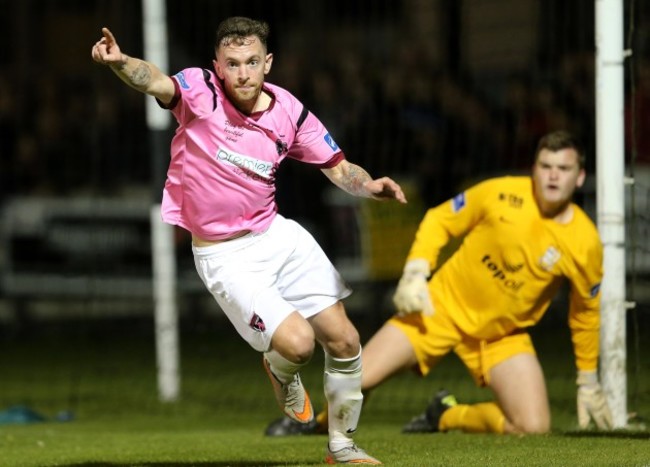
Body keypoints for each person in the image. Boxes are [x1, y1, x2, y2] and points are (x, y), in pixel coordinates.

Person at [91, 17, 407, 465]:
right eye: (233, 63)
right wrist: (121, 62)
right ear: (217, 67)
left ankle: (342, 447)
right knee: (297, 345)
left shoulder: (289, 111)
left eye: (252, 62)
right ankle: (280, 370)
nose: (243, 73)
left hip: (276, 234)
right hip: (224, 254)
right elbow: (156, 81)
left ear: (267, 63)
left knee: (345, 340)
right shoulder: (200, 91)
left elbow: (337, 167)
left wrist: (369, 185)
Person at [265, 130, 613, 437]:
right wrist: (417, 271)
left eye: (563, 169)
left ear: (580, 177)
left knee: (533, 429)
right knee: (355, 381)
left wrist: (587, 377)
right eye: (546, 166)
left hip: (501, 335)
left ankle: (445, 414)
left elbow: (585, 313)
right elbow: (440, 219)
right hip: (438, 309)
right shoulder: (502, 192)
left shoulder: (584, 242)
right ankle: (319, 425)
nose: (553, 176)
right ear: (534, 168)